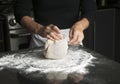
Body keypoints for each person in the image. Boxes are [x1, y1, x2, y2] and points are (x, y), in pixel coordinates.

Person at [14, 0, 97, 48]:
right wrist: (39, 29)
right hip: (41, 40)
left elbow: (90, 11)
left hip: (72, 40)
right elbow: (20, 12)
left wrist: (80, 26)